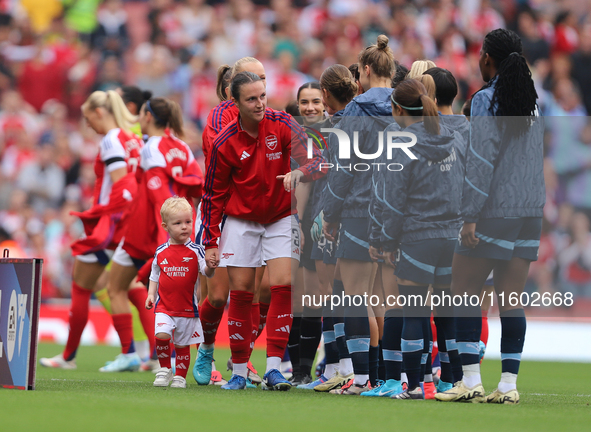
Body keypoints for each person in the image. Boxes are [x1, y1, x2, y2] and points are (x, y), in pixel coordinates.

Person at [436, 28, 543, 404]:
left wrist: (469, 217)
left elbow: (481, 163)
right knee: (511, 298)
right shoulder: (531, 102)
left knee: (463, 291)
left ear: (488, 59)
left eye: (482, 54)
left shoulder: (485, 100)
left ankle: (469, 380)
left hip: (495, 210)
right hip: (530, 210)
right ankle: (508, 387)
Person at [201, 71, 326, 390]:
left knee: (281, 286)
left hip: (281, 217)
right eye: (251, 99)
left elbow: (320, 163)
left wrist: (300, 171)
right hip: (242, 222)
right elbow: (212, 194)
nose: (260, 104)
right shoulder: (225, 141)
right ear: (237, 102)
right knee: (242, 293)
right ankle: (240, 371)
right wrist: (211, 241)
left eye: (263, 96)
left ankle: (273, 369)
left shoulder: (283, 123)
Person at [371, 77, 465, 400]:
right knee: (446, 313)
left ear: (397, 109)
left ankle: (413, 385)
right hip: (451, 237)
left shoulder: (403, 143)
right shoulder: (452, 136)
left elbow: (394, 202)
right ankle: (451, 381)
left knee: (414, 311)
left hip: (418, 237)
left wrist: (384, 240)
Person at [40, 90, 142, 369]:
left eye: (88, 118)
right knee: (127, 286)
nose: (87, 125)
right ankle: (150, 354)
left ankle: (70, 356)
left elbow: (123, 186)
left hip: (109, 226)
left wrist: (103, 215)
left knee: (81, 287)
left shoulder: (111, 140)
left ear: (100, 112)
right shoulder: (133, 139)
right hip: (130, 226)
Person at [101, 97, 203, 372]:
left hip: (149, 229)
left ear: (147, 117)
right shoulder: (182, 146)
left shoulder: (152, 147)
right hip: (178, 230)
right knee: (177, 299)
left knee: (116, 287)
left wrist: (166, 236)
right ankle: (173, 359)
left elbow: (159, 195)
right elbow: (197, 186)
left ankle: (132, 354)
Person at [320, 35, 397, 395]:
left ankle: (362, 378)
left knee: (354, 296)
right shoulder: (408, 105)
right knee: (386, 298)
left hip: (359, 210)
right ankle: (389, 377)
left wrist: (331, 214)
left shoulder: (355, 111)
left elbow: (342, 169)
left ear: (365, 70)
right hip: (398, 214)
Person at [193, 57, 268, 387]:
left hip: (253, 212)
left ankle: (243, 360)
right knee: (219, 295)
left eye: (263, 80)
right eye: (250, 80)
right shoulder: (218, 117)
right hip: (220, 213)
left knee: (254, 293)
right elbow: (229, 158)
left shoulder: (267, 117)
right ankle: (206, 348)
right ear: (231, 90)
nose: (258, 86)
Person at [298, 65, 358, 391]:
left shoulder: (339, 127)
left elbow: (339, 179)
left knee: (337, 295)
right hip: (341, 215)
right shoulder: (348, 124)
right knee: (340, 296)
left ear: (326, 96)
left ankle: (343, 368)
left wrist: (324, 217)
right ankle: (342, 368)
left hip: (334, 218)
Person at [146, 197, 214, 389]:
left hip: (187, 309)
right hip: (164, 307)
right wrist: (151, 294)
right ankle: (165, 369)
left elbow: (205, 272)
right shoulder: (160, 252)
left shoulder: (197, 251)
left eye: (188, 222)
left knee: (182, 345)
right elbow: (155, 274)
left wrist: (211, 267)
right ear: (166, 226)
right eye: (178, 223)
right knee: (161, 335)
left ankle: (180, 377)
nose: (184, 227)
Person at [289, 81, 326, 387]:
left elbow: (307, 182)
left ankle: (313, 368)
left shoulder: (333, 135)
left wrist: (300, 224)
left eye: (315, 101)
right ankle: (300, 370)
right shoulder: (295, 137)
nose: (310, 108)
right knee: (298, 299)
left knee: (315, 299)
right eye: (304, 102)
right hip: (299, 223)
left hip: (320, 223)